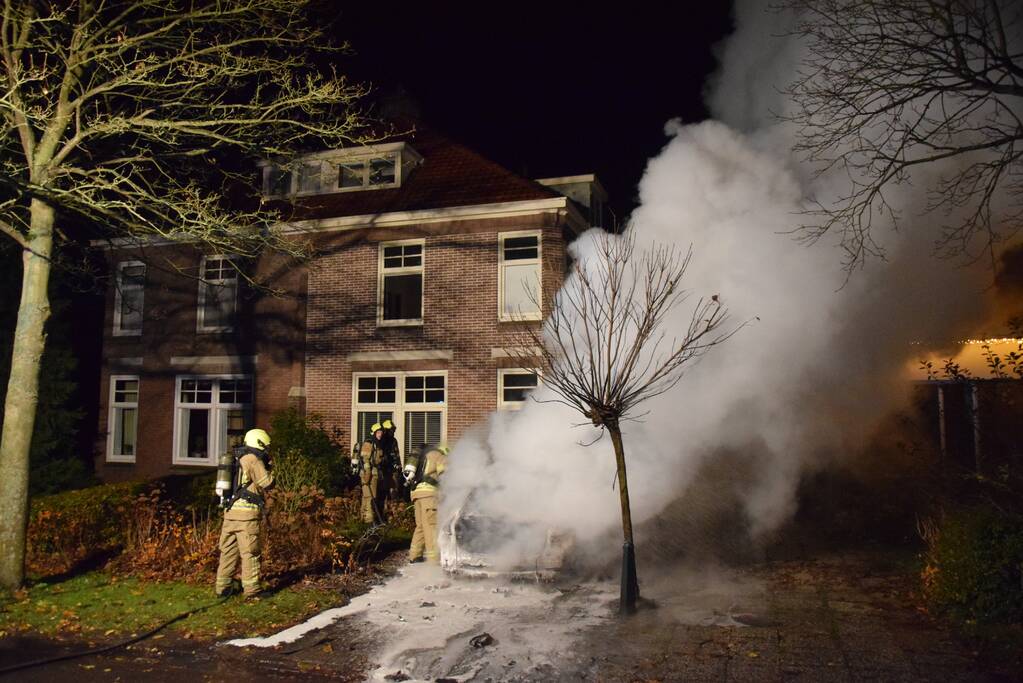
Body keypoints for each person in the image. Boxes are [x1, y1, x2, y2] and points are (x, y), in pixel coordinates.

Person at [215, 428, 274, 598]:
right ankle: (252, 591)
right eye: (265, 447)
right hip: (246, 517)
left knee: (228, 551)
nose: (266, 450)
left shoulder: (236, 457)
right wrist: (270, 470)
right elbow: (267, 483)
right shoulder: (253, 459)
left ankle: (223, 588)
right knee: (250, 552)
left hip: (230, 513)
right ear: (260, 443)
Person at [403, 443, 449, 564]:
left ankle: (415, 555)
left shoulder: (424, 455)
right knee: (431, 526)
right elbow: (444, 476)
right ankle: (434, 560)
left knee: (421, 526)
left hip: (415, 494)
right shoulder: (440, 455)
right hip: (429, 494)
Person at [356, 423, 389, 524]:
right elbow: (365, 460)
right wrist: (367, 475)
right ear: (373, 433)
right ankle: (368, 521)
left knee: (367, 497)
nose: (380, 434)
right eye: (378, 432)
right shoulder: (369, 444)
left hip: (374, 475)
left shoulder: (377, 444)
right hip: (368, 475)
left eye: (381, 432)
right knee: (370, 497)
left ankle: (363, 519)